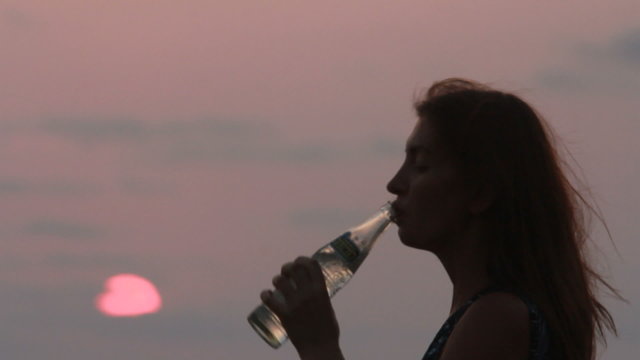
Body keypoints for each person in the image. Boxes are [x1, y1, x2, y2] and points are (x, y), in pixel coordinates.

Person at [259, 78, 626, 360]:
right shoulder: (495, 311)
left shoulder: (496, 319)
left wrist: (320, 346)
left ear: (480, 193)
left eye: (421, 165)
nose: (395, 183)